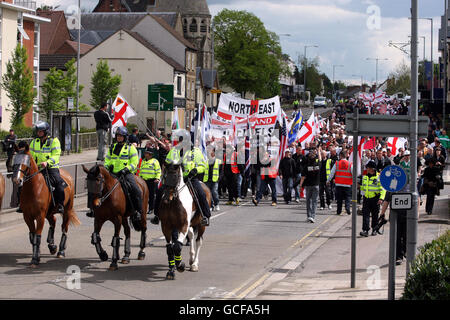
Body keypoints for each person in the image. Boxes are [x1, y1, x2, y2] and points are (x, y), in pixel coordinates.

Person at [104, 126, 142, 225]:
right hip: (113, 173)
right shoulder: (113, 147)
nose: (119, 138)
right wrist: (108, 166)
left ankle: (138, 211)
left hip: (125, 174)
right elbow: (107, 159)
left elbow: (135, 162)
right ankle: (94, 209)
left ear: (125, 137)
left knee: (136, 190)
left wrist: (126, 169)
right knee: (98, 186)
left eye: (121, 136)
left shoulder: (131, 148)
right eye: (117, 136)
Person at [29, 121, 65, 214]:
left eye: (40, 131)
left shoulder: (54, 141)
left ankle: (60, 204)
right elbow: (30, 155)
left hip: (50, 168)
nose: (38, 133)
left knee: (58, 183)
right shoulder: (34, 142)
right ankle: (22, 204)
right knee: (24, 182)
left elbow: (56, 155)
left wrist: (47, 162)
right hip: (37, 169)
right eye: (38, 131)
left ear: (46, 131)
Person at [359, 161, 386, 237]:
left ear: (372, 169)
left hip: (375, 199)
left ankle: (374, 229)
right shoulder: (365, 177)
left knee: (375, 215)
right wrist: (360, 190)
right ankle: (365, 230)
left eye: (368, 167)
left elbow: (383, 189)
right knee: (365, 215)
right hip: (366, 199)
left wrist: (381, 198)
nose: (366, 169)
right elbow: (363, 188)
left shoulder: (379, 177)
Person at [299, 147, 321, 223]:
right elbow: (320, 159)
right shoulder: (318, 164)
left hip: (308, 186)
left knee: (308, 201)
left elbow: (303, 177)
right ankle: (312, 216)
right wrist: (318, 151)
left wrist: (300, 186)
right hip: (316, 185)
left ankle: (309, 216)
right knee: (314, 201)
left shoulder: (306, 166)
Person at [327, 150, 352, 215]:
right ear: (346, 155)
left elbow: (332, 173)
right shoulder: (349, 164)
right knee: (347, 197)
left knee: (339, 199)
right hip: (347, 184)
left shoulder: (337, 163)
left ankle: (339, 211)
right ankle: (347, 208)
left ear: (340, 156)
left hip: (339, 184)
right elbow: (354, 174)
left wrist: (328, 180)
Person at [138, 148, 161, 214]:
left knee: (151, 196)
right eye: (145, 153)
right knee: (142, 195)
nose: (145, 154)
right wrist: (139, 178)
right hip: (144, 181)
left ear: (150, 154)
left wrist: (157, 178)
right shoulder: (143, 161)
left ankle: (151, 208)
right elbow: (140, 170)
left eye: (146, 153)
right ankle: (142, 208)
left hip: (152, 181)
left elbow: (158, 171)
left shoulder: (155, 161)